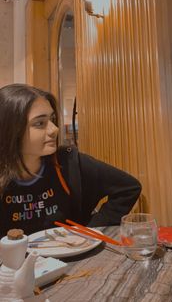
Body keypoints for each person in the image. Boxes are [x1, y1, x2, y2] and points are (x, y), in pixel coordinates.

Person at [0, 84, 141, 237]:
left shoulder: (68, 162)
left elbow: (128, 188)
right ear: (10, 130)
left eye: (52, 119)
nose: (54, 129)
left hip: (72, 259)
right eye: (40, 123)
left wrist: (89, 232)